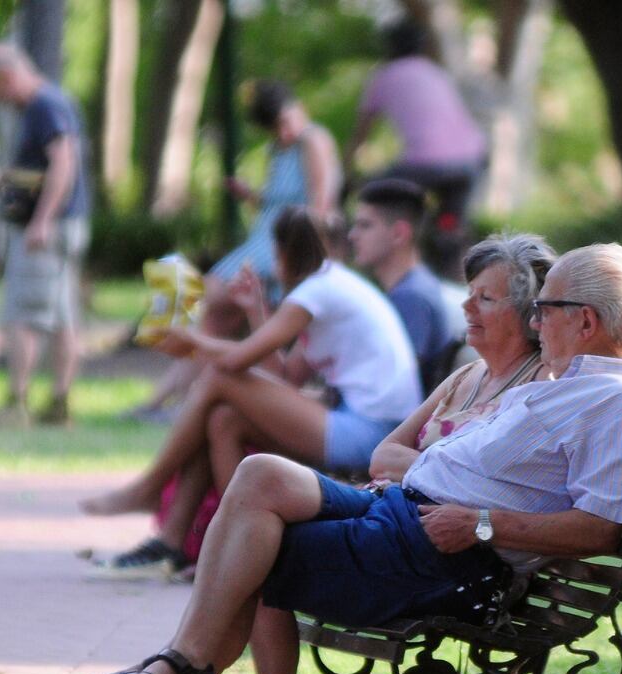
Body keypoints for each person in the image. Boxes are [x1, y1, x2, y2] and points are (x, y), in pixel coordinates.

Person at [60, 242, 622, 674]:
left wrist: (482, 524)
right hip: (396, 510)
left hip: (439, 552)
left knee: (248, 550)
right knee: (260, 476)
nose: (534, 320)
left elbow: (599, 528)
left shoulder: (617, 404)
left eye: (543, 308)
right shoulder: (560, 384)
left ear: (585, 320)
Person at [78, 207, 420, 565]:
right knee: (225, 418)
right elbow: (285, 376)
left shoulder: (316, 291)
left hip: (371, 434)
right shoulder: (329, 287)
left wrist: (193, 341)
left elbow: (234, 363)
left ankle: (151, 488)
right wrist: (256, 312)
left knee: (220, 379)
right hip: (362, 425)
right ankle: (194, 541)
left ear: (283, 254)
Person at [131, 80, 341, 422]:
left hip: (282, 246)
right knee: (214, 320)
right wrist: (250, 196)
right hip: (266, 240)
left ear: (296, 108)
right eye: (276, 128)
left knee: (208, 296)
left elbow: (320, 202)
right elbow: (277, 201)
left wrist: (302, 258)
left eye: (285, 123)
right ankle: (174, 401)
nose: (284, 133)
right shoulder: (278, 149)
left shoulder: (313, 140)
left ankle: (174, 400)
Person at [0, 43, 89, 426]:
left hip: (47, 229)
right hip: (62, 226)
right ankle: (59, 405)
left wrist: (43, 219)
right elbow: (21, 171)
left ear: (7, 76)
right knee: (61, 317)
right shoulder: (44, 105)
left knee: (23, 314)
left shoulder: (45, 107)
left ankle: (16, 404)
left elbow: (63, 162)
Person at [346, 19, 487, 230]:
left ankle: (396, 237)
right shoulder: (436, 72)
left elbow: (361, 135)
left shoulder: (383, 77)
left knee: (373, 191)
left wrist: (345, 172)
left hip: (425, 164)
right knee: (452, 226)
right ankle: (451, 239)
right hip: (472, 158)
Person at [349, 179, 453, 390]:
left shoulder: (411, 296)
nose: (352, 236)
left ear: (399, 234)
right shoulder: (411, 287)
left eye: (365, 226)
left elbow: (389, 384)